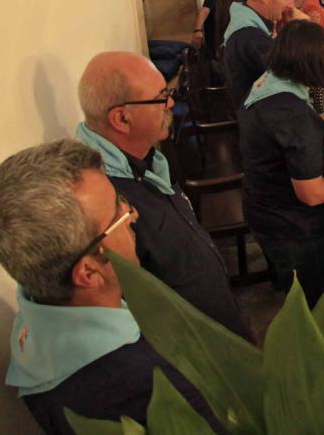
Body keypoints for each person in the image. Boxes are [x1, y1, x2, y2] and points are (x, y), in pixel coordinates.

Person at [0, 140, 216, 433]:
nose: (133, 214)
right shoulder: (149, 385)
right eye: (117, 213)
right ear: (89, 273)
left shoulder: (35, 321)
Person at [73, 52, 250, 339]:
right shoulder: (108, 204)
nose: (170, 103)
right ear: (122, 118)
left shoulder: (145, 161)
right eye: (161, 97)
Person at [239, 21, 324, 306]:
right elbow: (312, 194)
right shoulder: (292, 114)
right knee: (310, 299)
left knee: (293, 286)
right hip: (292, 226)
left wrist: (320, 154)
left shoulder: (267, 82)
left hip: (265, 208)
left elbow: (286, 148)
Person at [224, 0, 298, 109]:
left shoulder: (248, 21)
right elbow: (292, 78)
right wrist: (302, 28)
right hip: (261, 123)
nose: (292, 6)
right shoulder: (251, 38)